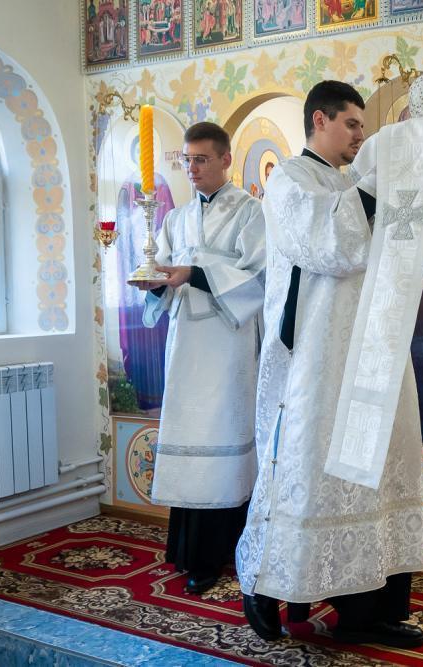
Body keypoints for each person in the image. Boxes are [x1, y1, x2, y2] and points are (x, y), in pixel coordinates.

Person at [236, 81, 423, 648]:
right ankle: (265, 586)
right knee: (309, 472)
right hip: (318, 361)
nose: (360, 135)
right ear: (320, 120)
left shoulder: (349, 182)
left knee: (376, 472)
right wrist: (388, 174)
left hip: (375, 351)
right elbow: (330, 243)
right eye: (352, 124)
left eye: (363, 127)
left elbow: (419, 245)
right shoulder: (291, 179)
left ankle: (367, 612)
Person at [133, 121, 266, 596]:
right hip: (186, 342)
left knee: (222, 436)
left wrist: (196, 273)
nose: (192, 169)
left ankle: (218, 553)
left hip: (228, 345)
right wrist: (156, 283)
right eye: (187, 160)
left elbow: (261, 278)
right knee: (189, 434)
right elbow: (164, 272)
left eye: (202, 159)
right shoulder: (176, 218)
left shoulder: (252, 212)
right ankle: (187, 550)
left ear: (226, 159)